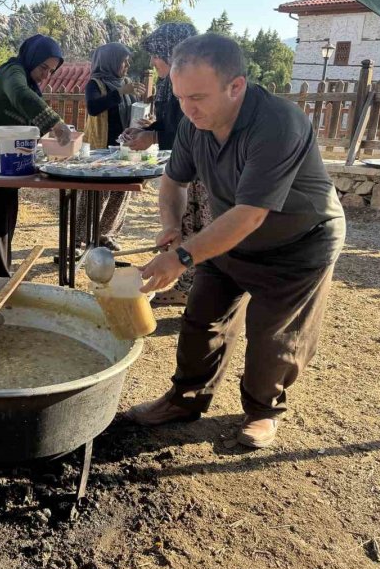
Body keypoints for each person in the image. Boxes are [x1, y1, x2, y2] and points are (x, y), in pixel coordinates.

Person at [125, 33, 346, 449]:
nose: (188, 109)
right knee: (202, 317)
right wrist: (171, 226)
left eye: (198, 97)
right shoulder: (196, 124)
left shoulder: (278, 123)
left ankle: (263, 412)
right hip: (231, 236)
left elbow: (251, 214)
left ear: (236, 86)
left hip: (299, 241)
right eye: (180, 96)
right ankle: (184, 400)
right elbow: (173, 181)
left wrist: (183, 256)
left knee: (274, 336)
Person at [0, 34, 74, 280]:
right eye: (44, 67)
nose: (46, 75)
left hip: (6, 166)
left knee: (3, 226)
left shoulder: (29, 82)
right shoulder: (12, 73)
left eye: (52, 71)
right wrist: (56, 123)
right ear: (32, 57)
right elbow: (20, 95)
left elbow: (28, 124)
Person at [121, 22, 211, 304]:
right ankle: (185, 287)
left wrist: (154, 135)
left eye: (156, 54)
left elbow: (194, 126)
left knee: (204, 228)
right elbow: (174, 123)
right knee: (184, 225)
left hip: (203, 165)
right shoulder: (166, 83)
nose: (152, 60)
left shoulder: (196, 84)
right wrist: (148, 131)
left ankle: (201, 290)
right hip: (182, 162)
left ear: (173, 53)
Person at [78, 43, 147, 251]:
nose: (127, 65)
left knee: (120, 192)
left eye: (127, 61)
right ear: (110, 61)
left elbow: (133, 111)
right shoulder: (95, 84)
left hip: (123, 147)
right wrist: (119, 92)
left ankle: (104, 234)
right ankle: (78, 238)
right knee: (96, 193)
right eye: (123, 61)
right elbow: (93, 108)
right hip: (100, 148)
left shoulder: (126, 83)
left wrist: (145, 114)